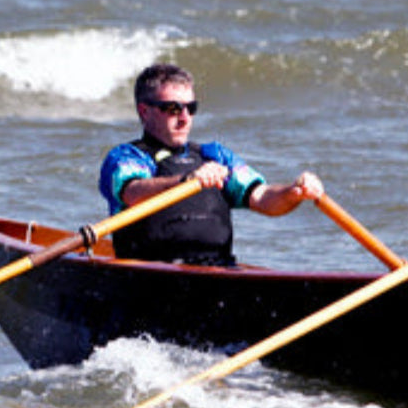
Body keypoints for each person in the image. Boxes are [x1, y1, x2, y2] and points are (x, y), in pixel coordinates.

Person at [99, 63, 324, 265]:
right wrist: (186, 181)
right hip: (152, 276)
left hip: (218, 270)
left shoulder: (214, 156)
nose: (185, 118)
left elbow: (263, 199)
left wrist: (293, 193)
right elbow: (132, 192)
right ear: (144, 111)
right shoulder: (128, 157)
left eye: (191, 108)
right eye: (173, 109)